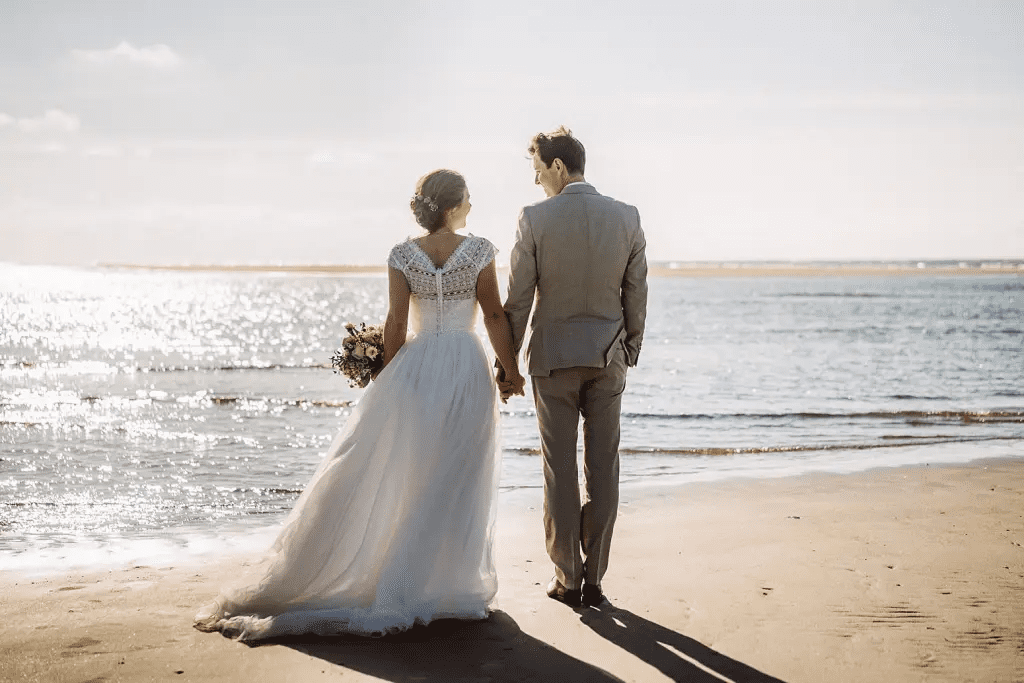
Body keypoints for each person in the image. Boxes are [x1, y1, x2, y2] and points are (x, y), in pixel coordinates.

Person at [194, 169, 525, 640]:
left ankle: (425, 578)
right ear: (451, 206)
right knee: (460, 468)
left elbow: (395, 321)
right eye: (467, 198)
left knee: (416, 468)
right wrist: (511, 369)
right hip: (464, 362)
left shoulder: (402, 255)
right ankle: (447, 583)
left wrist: (389, 379)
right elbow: (492, 314)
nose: (472, 205)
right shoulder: (479, 251)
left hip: (417, 365)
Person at [502, 127, 647, 609]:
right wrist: (631, 348)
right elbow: (636, 292)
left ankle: (568, 576)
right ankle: (597, 575)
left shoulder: (535, 218)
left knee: (559, 471)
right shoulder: (626, 217)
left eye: (539, 172)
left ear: (559, 168)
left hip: (553, 359)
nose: (539, 182)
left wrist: (508, 365)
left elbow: (519, 299)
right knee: (604, 467)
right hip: (609, 357)